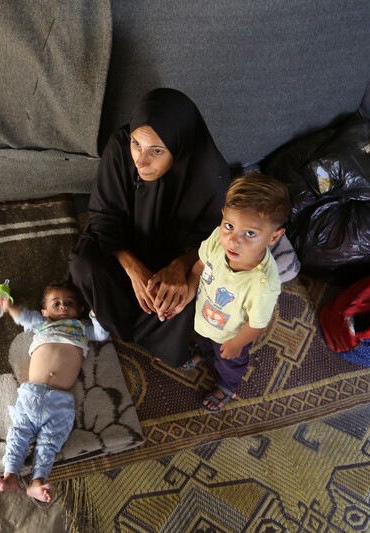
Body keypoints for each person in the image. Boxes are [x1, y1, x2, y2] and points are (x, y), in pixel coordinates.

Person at [69, 88, 229, 367]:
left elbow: (214, 239)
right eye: (136, 144)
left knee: (187, 295)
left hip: (178, 254)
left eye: (157, 150)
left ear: (179, 147)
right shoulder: (120, 146)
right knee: (86, 266)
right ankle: (134, 327)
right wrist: (133, 268)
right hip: (122, 243)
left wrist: (180, 266)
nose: (141, 162)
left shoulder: (210, 174)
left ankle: (152, 336)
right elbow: (104, 215)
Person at [0, 280, 109, 503]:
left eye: (69, 303)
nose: (63, 307)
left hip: (61, 401)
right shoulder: (42, 323)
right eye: (56, 303)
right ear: (45, 311)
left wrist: (95, 316)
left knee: (49, 443)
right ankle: (11, 474)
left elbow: (102, 334)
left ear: (80, 310)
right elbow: (23, 316)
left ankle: (37, 481)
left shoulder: (82, 328)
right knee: (19, 434)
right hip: (32, 394)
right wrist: (8, 306)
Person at [183, 171, 290, 412]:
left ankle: (227, 386)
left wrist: (237, 343)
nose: (233, 240)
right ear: (223, 216)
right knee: (204, 340)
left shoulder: (263, 285)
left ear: (274, 236)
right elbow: (200, 266)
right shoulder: (217, 239)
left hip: (232, 335)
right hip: (205, 318)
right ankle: (205, 353)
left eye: (250, 233)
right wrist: (187, 294)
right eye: (229, 226)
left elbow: (257, 323)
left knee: (230, 363)